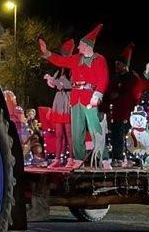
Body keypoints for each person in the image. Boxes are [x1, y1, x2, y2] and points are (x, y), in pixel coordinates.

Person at [39, 24, 109, 168]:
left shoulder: (99, 59)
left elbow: (103, 79)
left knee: (95, 127)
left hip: (89, 97)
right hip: (75, 98)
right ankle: (78, 158)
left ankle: (104, 158)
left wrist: (97, 95)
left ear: (88, 46)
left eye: (81, 45)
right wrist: (47, 53)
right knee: (77, 130)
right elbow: (60, 60)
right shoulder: (77, 58)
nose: (78, 48)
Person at [108, 43, 144, 166]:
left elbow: (134, 91)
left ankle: (133, 158)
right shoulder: (115, 78)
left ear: (124, 65)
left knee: (130, 135)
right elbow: (109, 91)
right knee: (117, 135)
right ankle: (117, 157)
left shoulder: (132, 77)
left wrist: (119, 93)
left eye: (118, 64)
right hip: (117, 112)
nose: (116, 66)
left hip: (129, 110)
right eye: (115, 64)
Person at [43, 38, 74, 168]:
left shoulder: (72, 69)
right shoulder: (58, 70)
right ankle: (57, 158)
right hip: (58, 101)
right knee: (58, 134)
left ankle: (71, 158)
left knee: (68, 133)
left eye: (64, 54)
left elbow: (67, 84)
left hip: (67, 100)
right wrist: (50, 80)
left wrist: (55, 82)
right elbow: (55, 85)